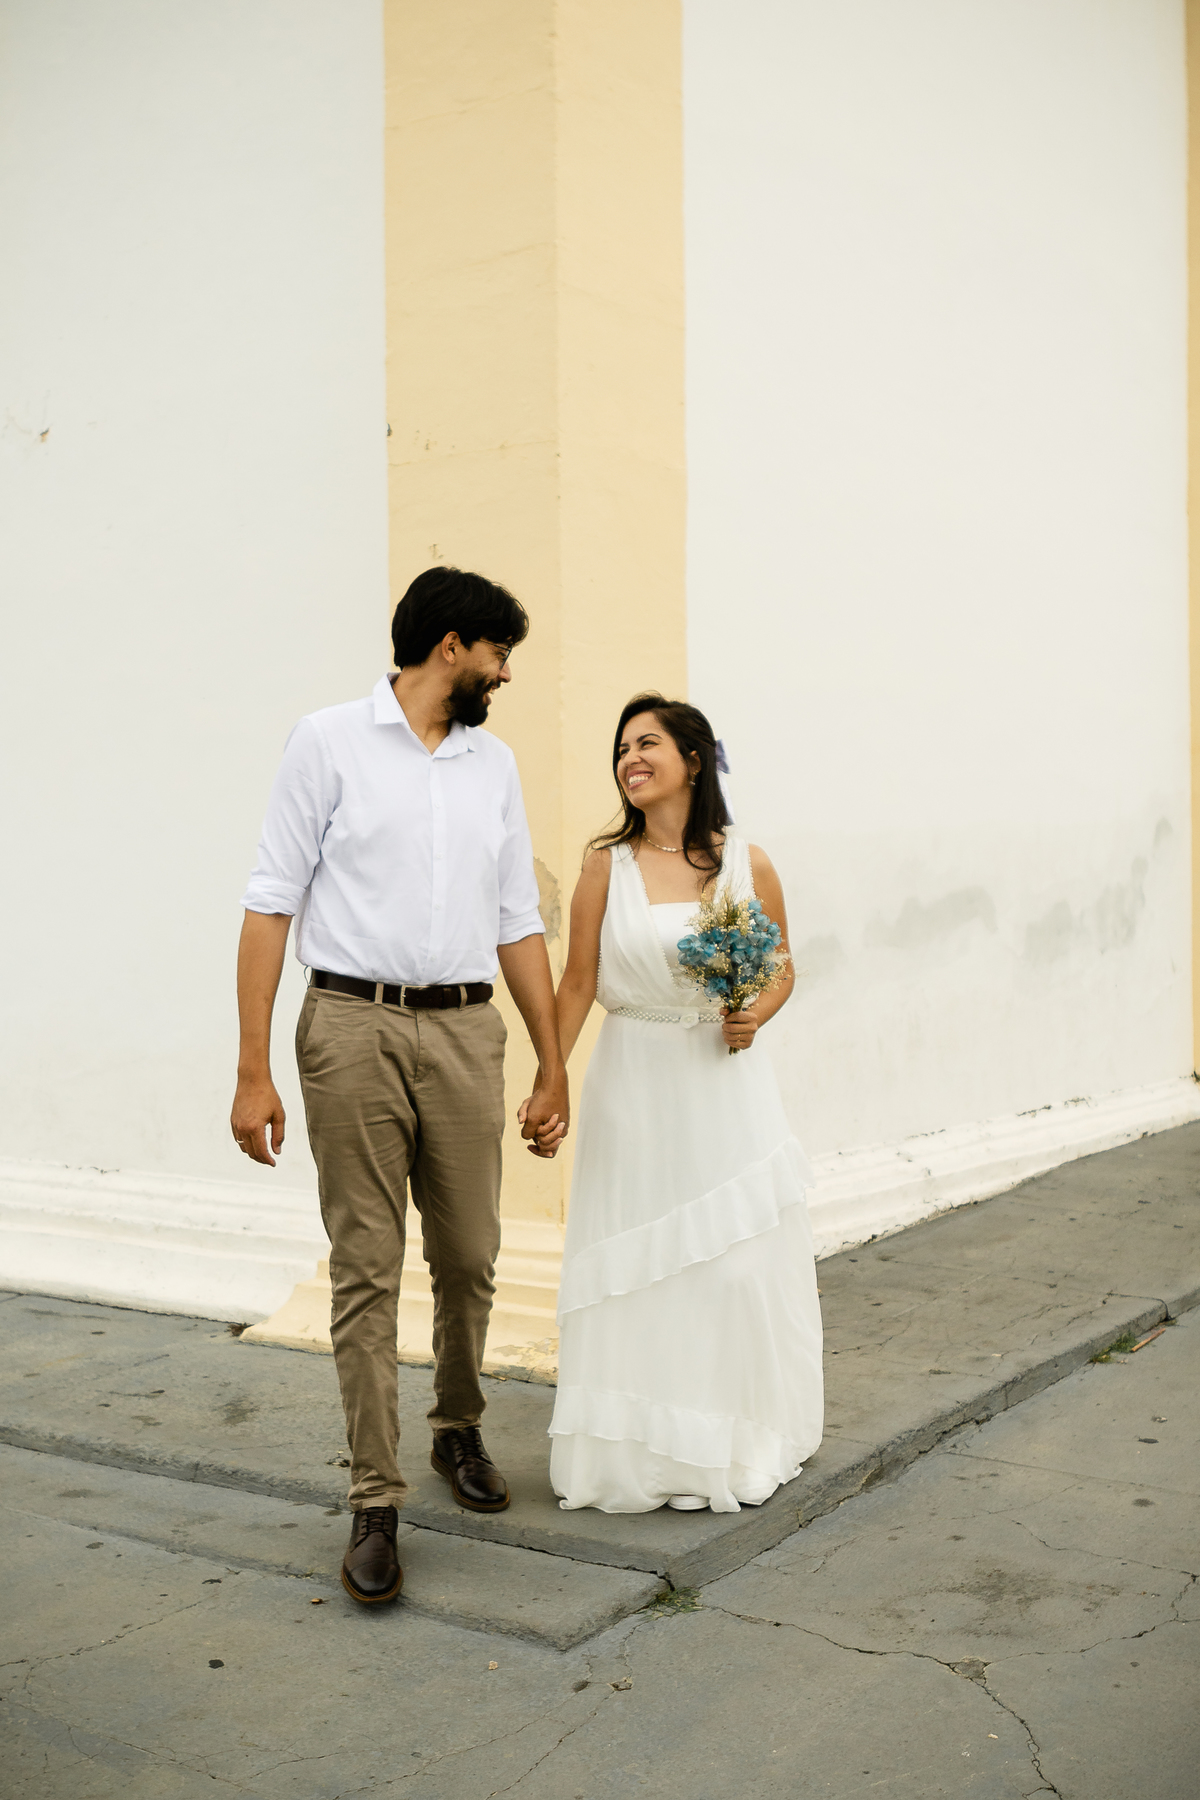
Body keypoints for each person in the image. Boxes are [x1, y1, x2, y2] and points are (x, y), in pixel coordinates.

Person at [231, 567, 568, 1605]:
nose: (504, 674)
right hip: (349, 1025)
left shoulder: (493, 765)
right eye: (497, 654)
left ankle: (455, 1424)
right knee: (366, 1267)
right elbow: (269, 903)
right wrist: (253, 1068)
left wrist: (554, 1059)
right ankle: (374, 1498)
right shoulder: (326, 741)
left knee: (469, 1254)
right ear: (452, 645)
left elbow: (518, 917)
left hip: (468, 1029)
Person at [528, 694, 823, 1513]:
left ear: (693, 760)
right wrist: (550, 1076)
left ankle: (725, 1442)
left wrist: (753, 1013)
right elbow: (579, 981)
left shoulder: (744, 862)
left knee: (730, 1269)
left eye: (646, 742)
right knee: (638, 1273)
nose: (630, 758)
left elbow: (783, 963)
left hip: (723, 1086)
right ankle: (637, 1456)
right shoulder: (603, 865)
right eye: (621, 747)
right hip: (634, 1083)